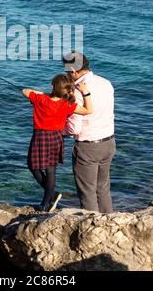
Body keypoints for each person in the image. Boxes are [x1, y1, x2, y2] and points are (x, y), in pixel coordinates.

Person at [22, 73, 93, 212]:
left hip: (39, 137)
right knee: (50, 170)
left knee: (33, 166)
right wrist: (85, 92)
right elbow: (88, 110)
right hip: (56, 138)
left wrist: (44, 93)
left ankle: (48, 199)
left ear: (53, 87)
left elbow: (25, 91)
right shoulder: (67, 104)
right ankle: (49, 198)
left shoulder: (41, 98)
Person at [62, 51, 115, 213]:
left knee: (87, 192)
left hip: (88, 147)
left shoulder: (76, 92)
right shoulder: (106, 83)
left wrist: (60, 130)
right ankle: (109, 223)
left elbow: (74, 128)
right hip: (109, 142)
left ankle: (93, 229)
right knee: (103, 188)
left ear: (73, 70)